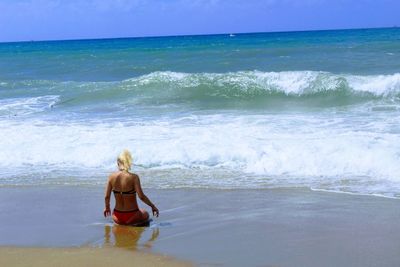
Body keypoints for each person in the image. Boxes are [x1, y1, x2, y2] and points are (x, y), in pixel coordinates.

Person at [103, 149, 159, 225]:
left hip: (117, 216)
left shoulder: (111, 177)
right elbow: (141, 196)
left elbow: (106, 196)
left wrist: (107, 207)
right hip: (132, 216)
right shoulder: (134, 177)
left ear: (118, 162)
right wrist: (153, 206)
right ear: (129, 162)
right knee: (145, 213)